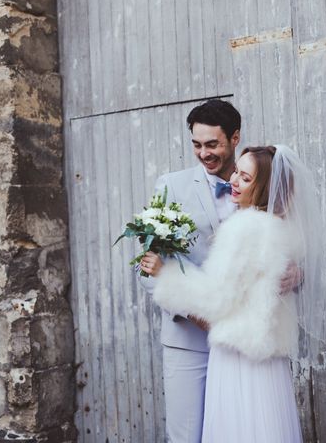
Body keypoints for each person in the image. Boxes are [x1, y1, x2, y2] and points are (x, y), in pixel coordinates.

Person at [143, 145, 324, 442]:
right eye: (236, 173)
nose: (234, 182)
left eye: (245, 178)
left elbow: (215, 299)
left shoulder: (244, 229)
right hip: (268, 357)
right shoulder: (283, 229)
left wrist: (166, 273)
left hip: (238, 355)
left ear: (264, 187)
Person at [140, 99, 242, 443]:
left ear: (235, 138)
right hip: (189, 341)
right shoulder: (171, 186)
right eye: (196, 144)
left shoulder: (257, 183)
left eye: (212, 144)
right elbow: (148, 270)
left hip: (243, 340)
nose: (203, 153)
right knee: (187, 437)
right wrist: (196, 313)